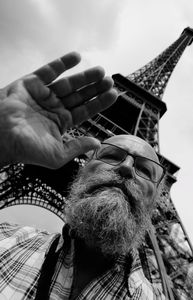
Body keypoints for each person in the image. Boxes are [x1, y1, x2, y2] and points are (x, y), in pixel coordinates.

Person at [0, 52, 166, 299]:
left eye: (144, 169)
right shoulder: (8, 242)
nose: (126, 167)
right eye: (110, 155)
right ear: (81, 171)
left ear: (155, 203)